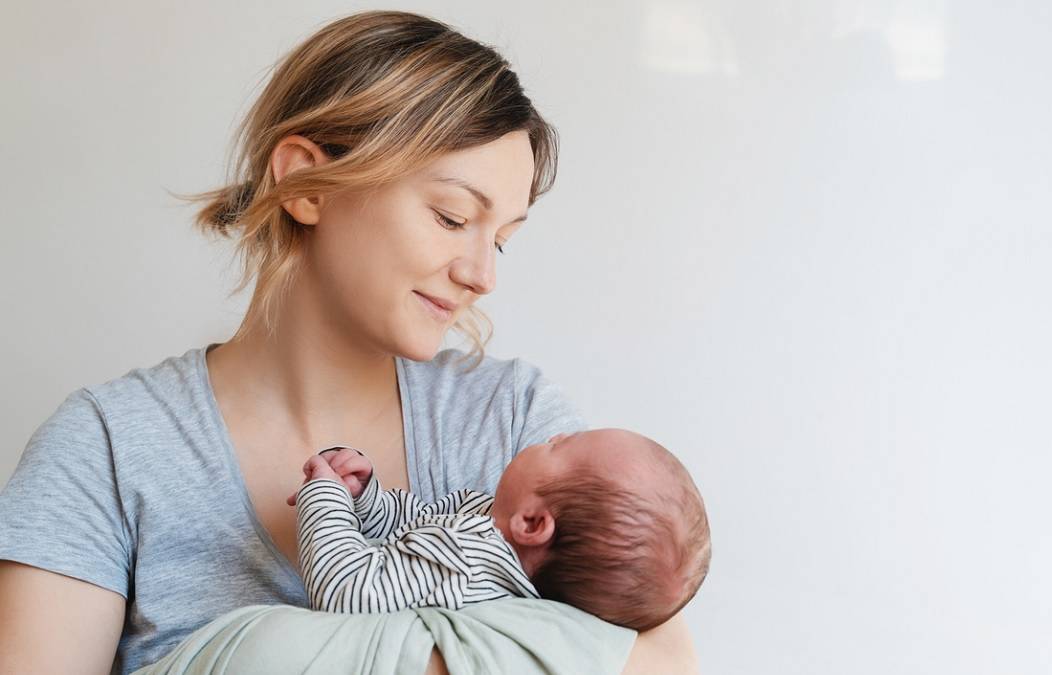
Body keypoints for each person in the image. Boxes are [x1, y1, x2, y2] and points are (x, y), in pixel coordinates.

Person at [0, 10, 699, 674]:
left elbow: (659, 666)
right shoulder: (108, 449)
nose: (482, 275)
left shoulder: (511, 416)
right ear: (306, 181)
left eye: (503, 242)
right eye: (453, 216)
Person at [291, 429, 712, 631]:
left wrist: (324, 497)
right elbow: (406, 530)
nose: (556, 432)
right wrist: (365, 498)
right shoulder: (482, 520)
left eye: (560, 446)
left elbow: (348, 590)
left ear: (531, 523)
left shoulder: (466, 562)